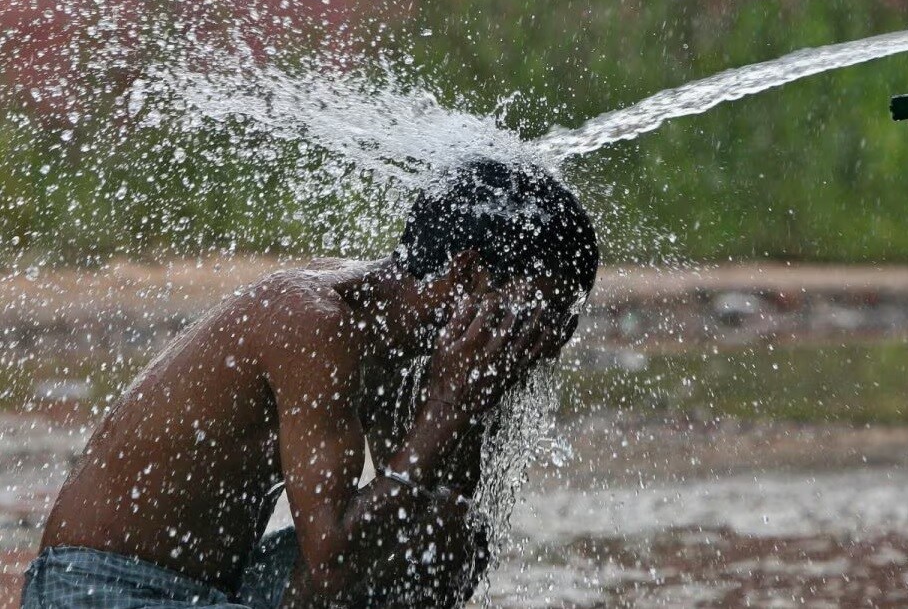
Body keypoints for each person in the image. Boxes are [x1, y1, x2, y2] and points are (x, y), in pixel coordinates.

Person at [21, 158, 599, 608]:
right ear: (469, 275)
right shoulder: (315, 324)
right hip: (100, 590)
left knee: (442, 540)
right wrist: (448, 404)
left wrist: (468, 404)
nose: (558, 335)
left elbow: (435, 516)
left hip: (214, 585)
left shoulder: (401, 333)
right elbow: (333, 560)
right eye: (551, 308)